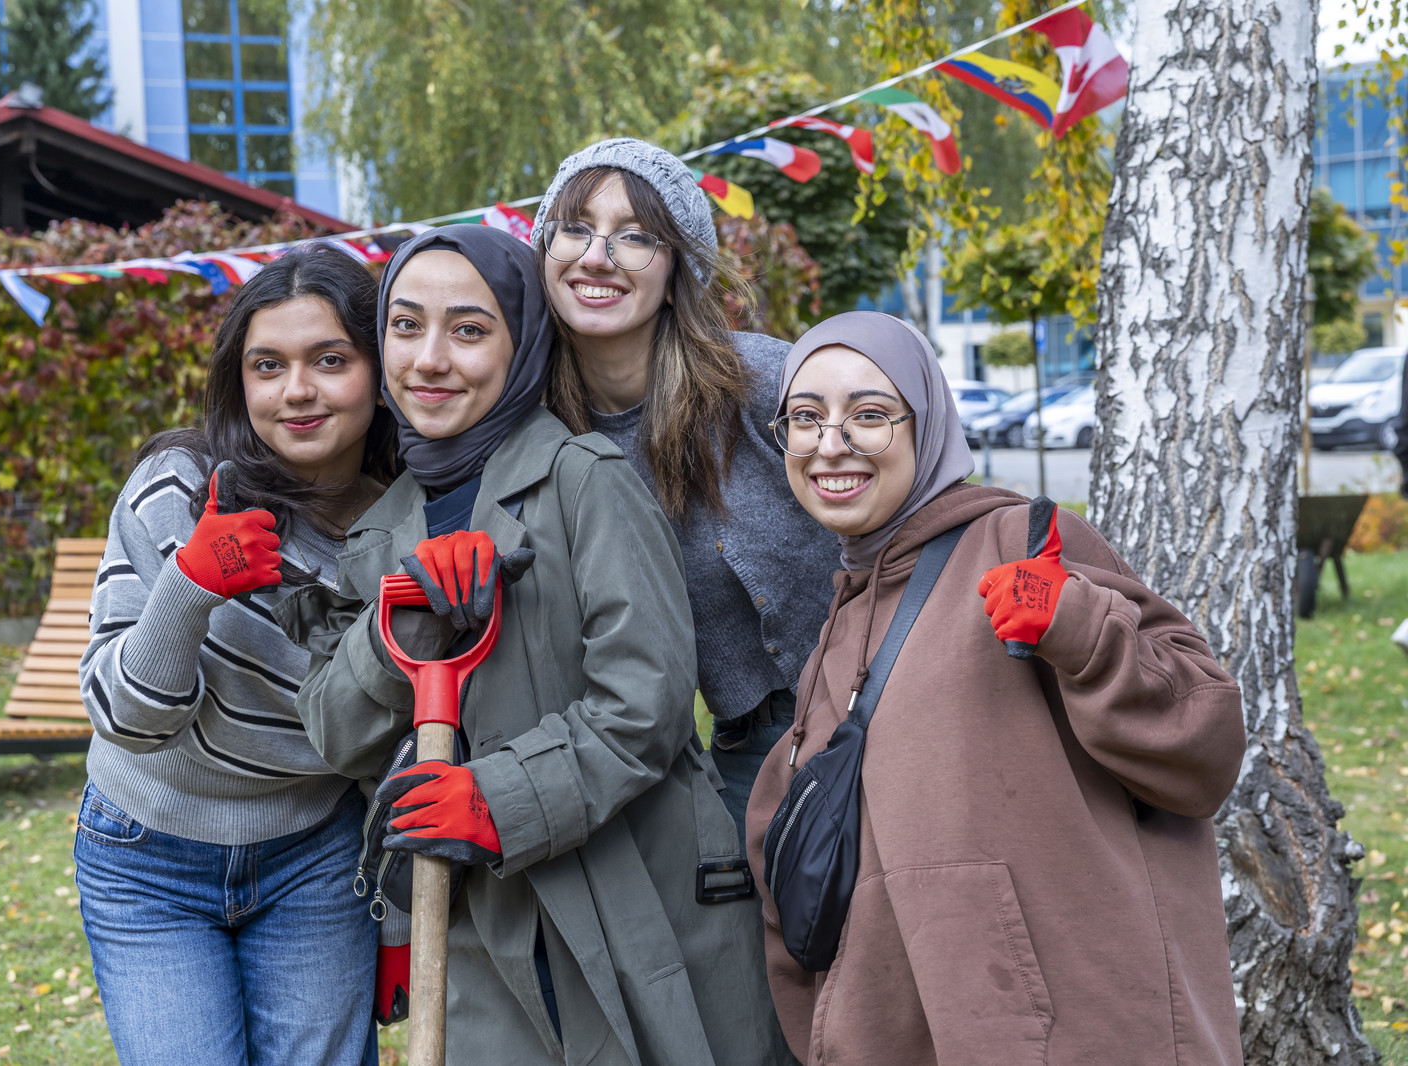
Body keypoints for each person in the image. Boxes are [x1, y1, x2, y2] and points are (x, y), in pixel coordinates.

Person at [276, 224, 789, 1066]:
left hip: (641, 898)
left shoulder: (586, 481)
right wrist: (397, 626)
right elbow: (336, 732)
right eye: (405, 326)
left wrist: (495, 801)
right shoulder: (377, 538)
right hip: (486, 934)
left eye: (469, 330)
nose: (430, 359)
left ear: (522, 345)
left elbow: (647, 707)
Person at [747, 311, 1247, 1065]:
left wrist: (1079, 626)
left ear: (926, 426)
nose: (831, 443)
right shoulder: (845, 616)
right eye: (806, 418)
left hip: (1069, 1030)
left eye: (870, 415)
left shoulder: (1019, 541)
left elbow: (1204, 744)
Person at [75, 244, 396, 1066]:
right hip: (145, 855)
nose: (297, 390)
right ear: (239, 380)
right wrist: (189, 585)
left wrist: (395, 923)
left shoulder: (402, 530)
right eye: (268, 365)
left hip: (315, 852)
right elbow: (125, 719)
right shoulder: (178, 488)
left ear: (380, 372)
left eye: (330, 360)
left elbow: (393, 742)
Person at [530, 138, 841, 833]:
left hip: (877, 705)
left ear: (677, 272)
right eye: (575, 228)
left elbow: (911, 489)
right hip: (744, 753)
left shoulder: (766, 382)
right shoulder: (539, 434)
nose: (597, 256)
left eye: (636, 236)